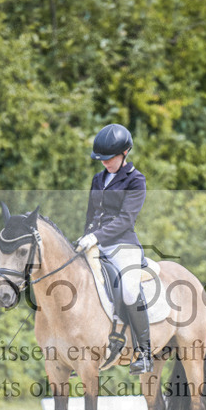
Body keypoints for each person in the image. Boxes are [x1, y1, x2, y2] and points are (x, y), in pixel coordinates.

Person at [75, 123, 152, 375]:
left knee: (129, 291)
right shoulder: (98, 178)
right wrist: (85, 236)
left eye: (110, 158)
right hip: (95, 243)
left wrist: (95, 237)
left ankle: (145, 352)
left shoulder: (135, 180)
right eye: (102, 159)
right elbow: (91, 213)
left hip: (123, 244)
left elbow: (125, 220)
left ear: (125, 153)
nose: (105, 163)